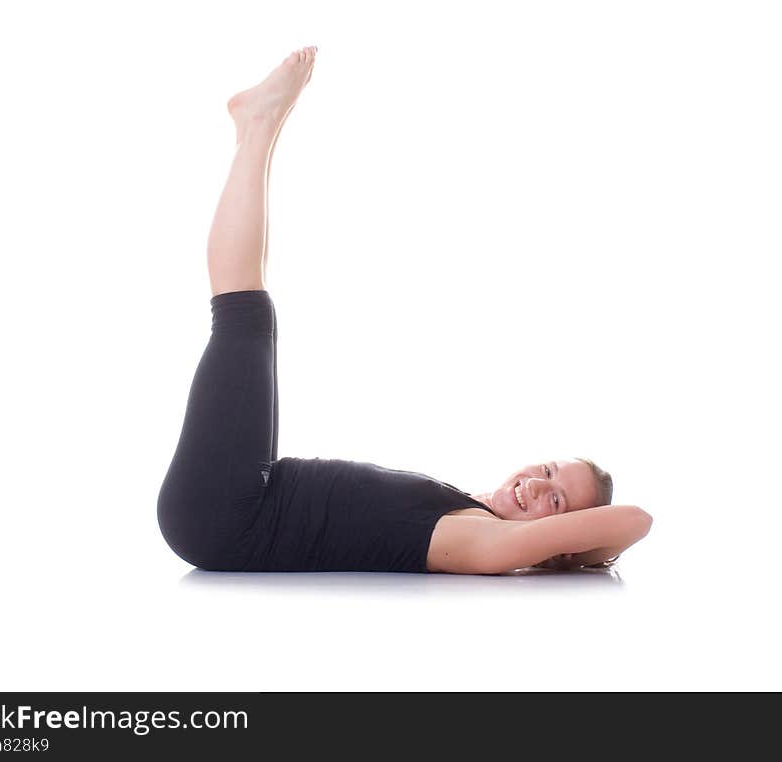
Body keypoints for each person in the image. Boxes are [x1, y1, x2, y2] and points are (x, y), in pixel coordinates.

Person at [156, 46, 653, 575]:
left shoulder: (483, 544)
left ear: (559, 535)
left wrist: (566, 549)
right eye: (548, 470)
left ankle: (258, 124)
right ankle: (258, 128)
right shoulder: (467, 510)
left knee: (245, 316)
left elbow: (635, 520)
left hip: (226, 516)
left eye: (556, 500)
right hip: (247, 497)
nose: (536, 485)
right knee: (255, 320)